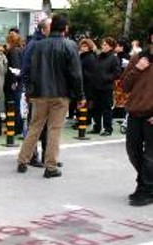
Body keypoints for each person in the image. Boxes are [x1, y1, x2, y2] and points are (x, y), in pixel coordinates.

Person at [17, 14, 85, 178]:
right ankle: (51, 166)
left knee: (35, 127)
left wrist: (29, 90)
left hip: (39, 93)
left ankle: (22, 160)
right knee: (54, 129)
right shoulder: (70, 45)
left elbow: (27, 70)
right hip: (60, 94)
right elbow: (76, 74)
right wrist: (80, 95)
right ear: (65, 29)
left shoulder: (37, 45)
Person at [121, 25, 153, 207]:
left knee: (150, 156)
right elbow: (124, 85)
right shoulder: (138, 58)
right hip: (134, 111)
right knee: (132, 151)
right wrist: (138, 69)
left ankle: (146, 189)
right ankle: (146, 184)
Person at [20, 18, 51, 167]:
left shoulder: (48, 43)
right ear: (44, 29)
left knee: (48, 126)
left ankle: (47, 156)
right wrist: (29, 89)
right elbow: (25, 69)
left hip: (49, 91)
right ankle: (32, 156)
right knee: (35, 126)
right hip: (37, 91)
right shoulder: (34, 45)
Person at [90, 37, 121, 136]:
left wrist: (106, 78)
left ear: (111, 47)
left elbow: (117, 73)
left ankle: (108, 128)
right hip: (96, 86)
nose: (103, 46)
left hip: (106, 87)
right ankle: (97, 127)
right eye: (103, 44)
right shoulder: (99, 57)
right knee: (96, 108)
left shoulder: (114, 58)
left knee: (106, 108)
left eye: (105, 45)